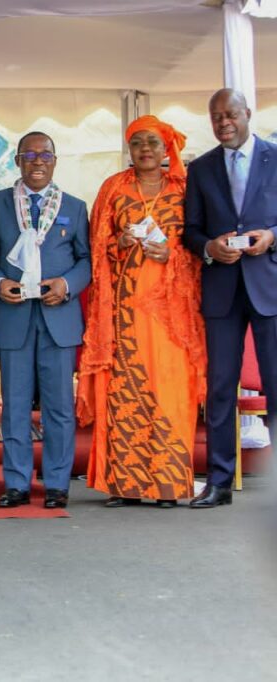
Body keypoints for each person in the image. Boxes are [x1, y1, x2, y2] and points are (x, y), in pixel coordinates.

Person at [78, 115, 205, 508]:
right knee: (124, 393)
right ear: (129, 149)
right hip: (124, 313)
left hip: (172, 315)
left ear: (166, 147)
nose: (145, 149)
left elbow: (201, 247)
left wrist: (172, 254)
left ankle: (167, 486)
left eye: (152, 142)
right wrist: (118, 242)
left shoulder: (185, 188)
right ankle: (125, 486)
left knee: (169, 392)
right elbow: (94, 248)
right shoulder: (114, 187)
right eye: (137, 143)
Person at [0, 132, 91, 509]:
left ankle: (57, 484)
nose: (38, 161)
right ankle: (17, 483)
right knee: (14, 407)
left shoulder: (74, 207)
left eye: (45, 155)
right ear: (17, 161)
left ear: (55, 161)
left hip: (59, 320)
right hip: (13, 318)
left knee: (59, 408)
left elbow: (86, 261)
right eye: (29, 155)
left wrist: (67, 284)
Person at [183, 88, 277, 508]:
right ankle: (219, 483)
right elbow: (190, 230)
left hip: (268, 288)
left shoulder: (274, 157)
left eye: (230, 114)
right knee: (220, 387)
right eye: (216, 116)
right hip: (221, 291)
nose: (223, 122)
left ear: (247, 114)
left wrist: (271, 236)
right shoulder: (201, 168)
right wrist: (209, 248)